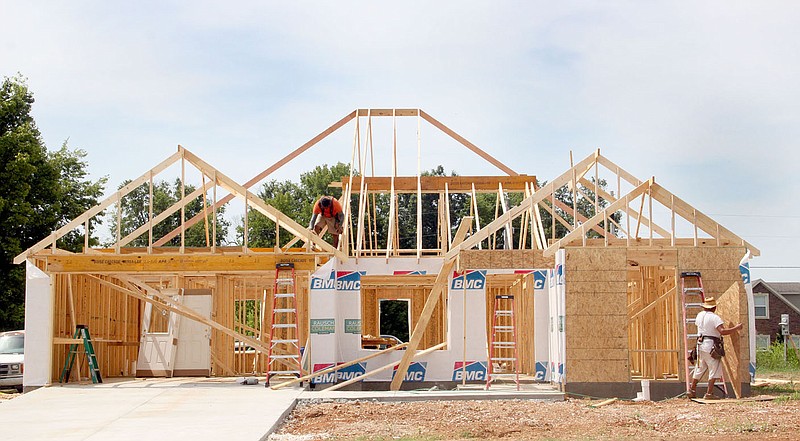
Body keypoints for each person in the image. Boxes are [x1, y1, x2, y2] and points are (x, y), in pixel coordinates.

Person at [687, 296, 743, 399]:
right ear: (714, 308)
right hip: (710, 345)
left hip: (700, 345)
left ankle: (692, 390)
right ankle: (709, 393)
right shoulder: (714, 318)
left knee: (699, 368)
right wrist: (736, 328)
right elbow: (722, 331)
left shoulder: (699, 315)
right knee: (714, 368)